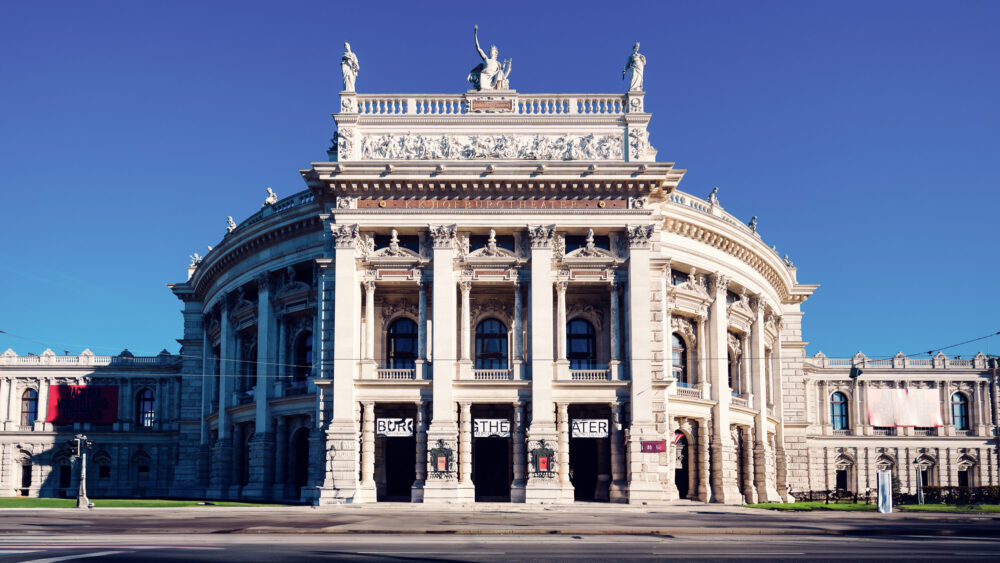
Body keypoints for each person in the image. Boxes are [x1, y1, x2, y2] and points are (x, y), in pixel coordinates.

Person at [468, 26, 507, 90]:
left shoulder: (498, 63)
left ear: (495, 53)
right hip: (485, 75)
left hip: (494, 76)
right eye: (490, 50)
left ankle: (498, 90)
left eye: (492, 50)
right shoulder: (486, 59)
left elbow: (502, 72)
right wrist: (475, 34)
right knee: (482, 75)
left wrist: (503, 67)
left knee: (500, 72)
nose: (490, 52)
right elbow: (478, 48)